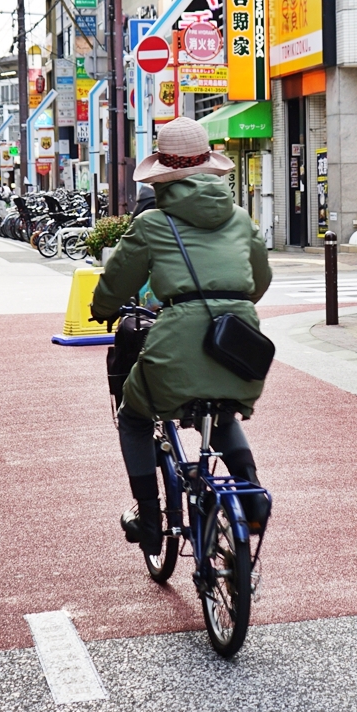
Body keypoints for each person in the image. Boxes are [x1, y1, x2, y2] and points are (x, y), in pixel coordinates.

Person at [89, 117, 273, 555]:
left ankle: (150, 518)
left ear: (163, 175)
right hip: (240, 343)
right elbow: (258, 279)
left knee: (134, 417)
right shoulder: (241, 218)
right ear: (209, 167)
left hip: (178, 341)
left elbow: (117, 282)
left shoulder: (153, 224)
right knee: (222, 414)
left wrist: (101, 309)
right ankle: (250, 495)